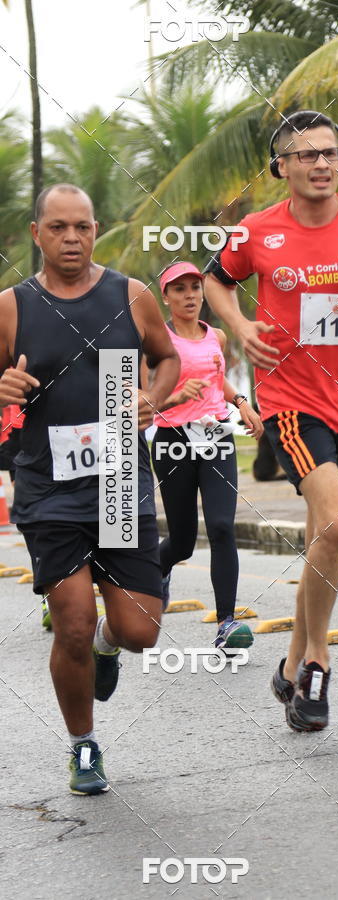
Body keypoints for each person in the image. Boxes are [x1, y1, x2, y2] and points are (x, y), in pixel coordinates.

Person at [204, 110, 338, 731]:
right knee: (336, 522)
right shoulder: (256, 231)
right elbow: (218, 283)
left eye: (329, 153)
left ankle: (292, 659)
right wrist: (241, 326)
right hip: (290, 403)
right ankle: (319, 663)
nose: (320, 163)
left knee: (326, 536)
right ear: (282, 167)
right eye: (305, 155)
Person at [0, 183, 180, 794]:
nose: (71, 238)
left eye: (82, 227)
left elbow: (166, 357)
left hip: (120, 483)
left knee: (138, 633)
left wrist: (151, 398)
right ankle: (83, 744)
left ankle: (110, 645)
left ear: (95, 230)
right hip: (47, 485)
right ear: (37, 234)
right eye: (58, 228)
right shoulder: (11, 307)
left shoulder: (129, 296)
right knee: (71, 621)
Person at [148, 261, 262, 649]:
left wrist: (241, 401)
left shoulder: (216, 335)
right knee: (181, 540)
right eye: (179, 290)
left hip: (215, 438)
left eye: (195, 287)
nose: (190, 296)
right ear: (166, 297)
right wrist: (175, 397)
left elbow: (218, 380)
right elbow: (139, 397)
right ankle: (157, 573)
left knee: (221, 526)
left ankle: (227, 624)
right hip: (171, 441)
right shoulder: (156, 343)